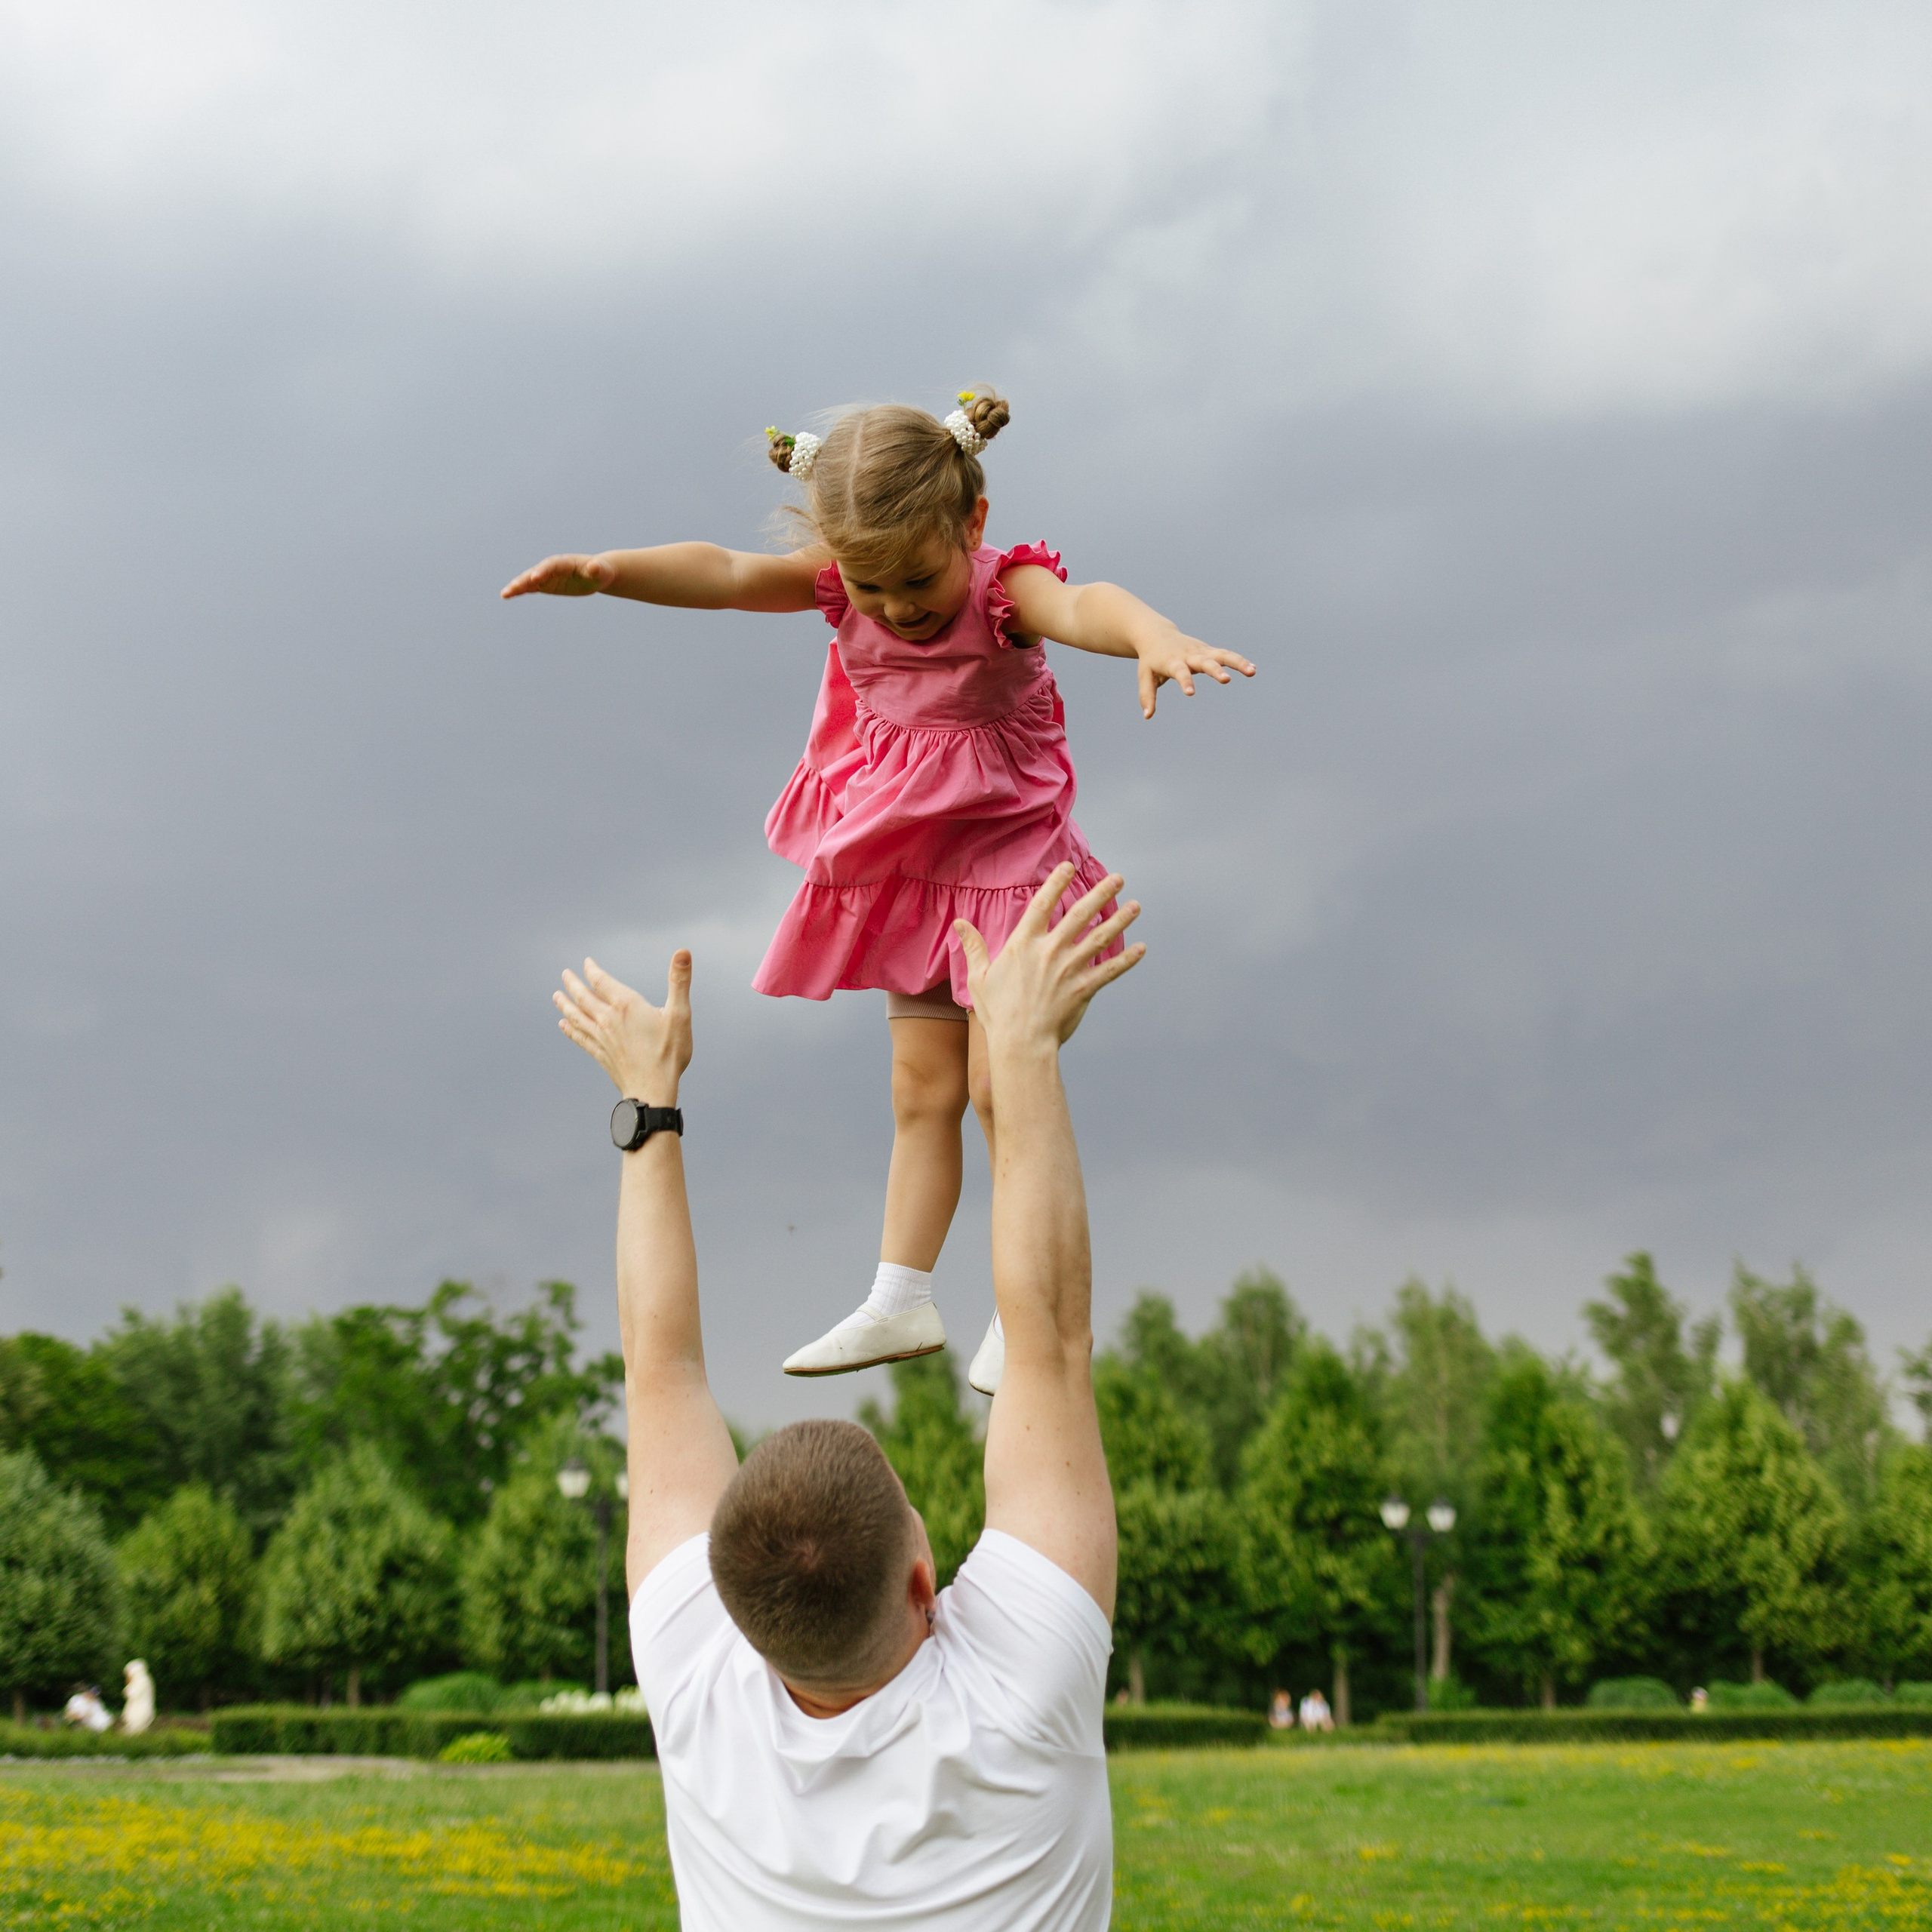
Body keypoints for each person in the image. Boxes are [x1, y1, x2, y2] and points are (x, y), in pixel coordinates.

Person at [509, 389, 1251, 1388]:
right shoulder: (839, 585)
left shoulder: (1002, 594)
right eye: (870, 584)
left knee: (1001, 1087)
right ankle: (899, 1298)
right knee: (920, 1094)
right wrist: (611, 575)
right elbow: (726, 574)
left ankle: (1022, 1312)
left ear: (971, 523)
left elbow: (1087, 606)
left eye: (916, 578)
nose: (897, 607)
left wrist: (1152, 635)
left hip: (1014, 880)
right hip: (917, 878)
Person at [551, 863, 1143, 1930]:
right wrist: (1018, 1049)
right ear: (923, 1576)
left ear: (736, 1607)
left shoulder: (699, 1685)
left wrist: (1019, 1047)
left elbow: (1051, 1347)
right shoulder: (1019, 1690)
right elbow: (664, 1370)